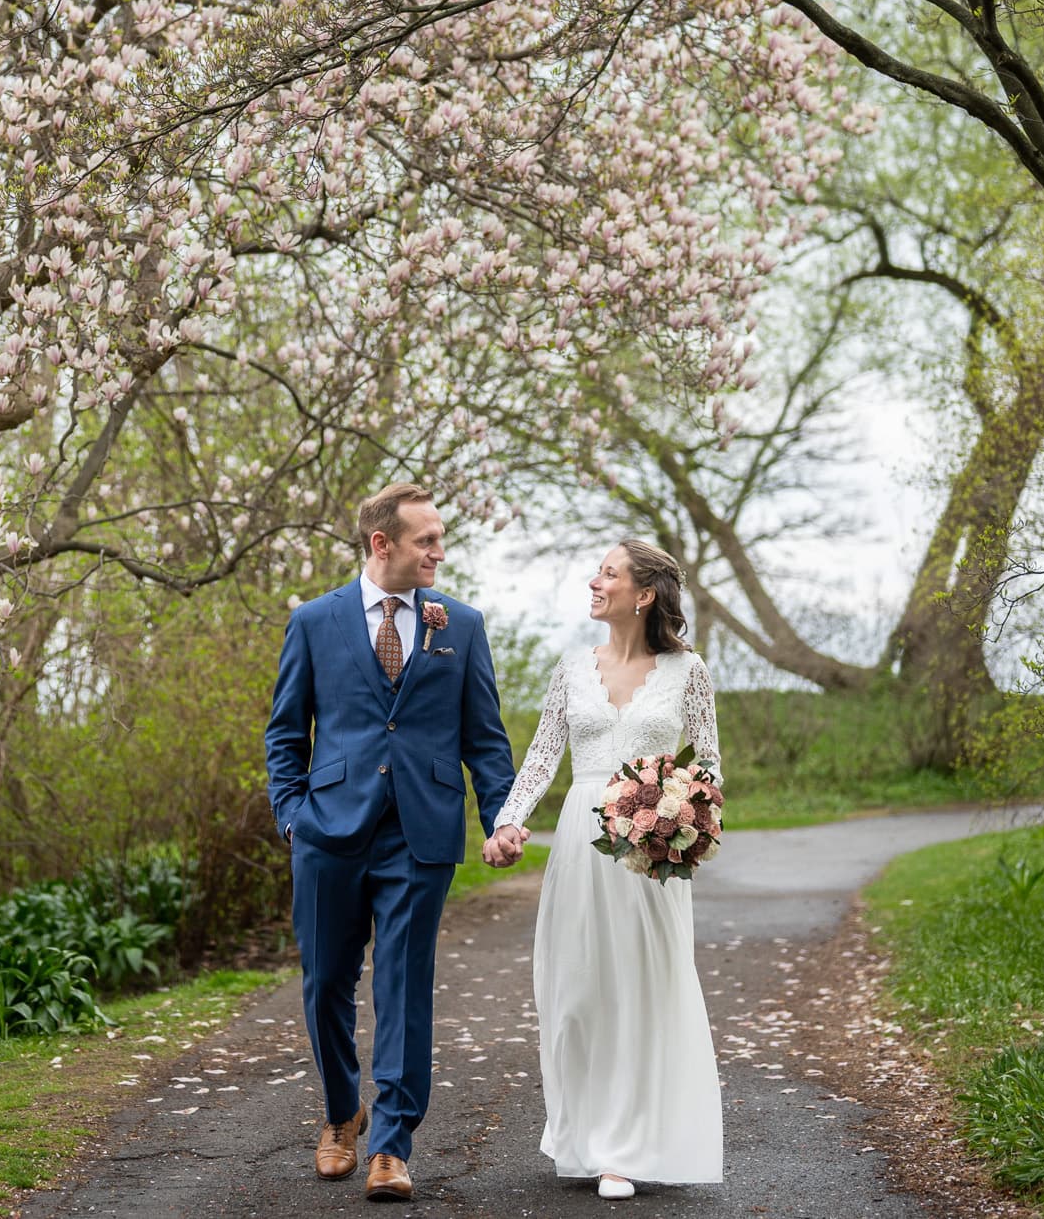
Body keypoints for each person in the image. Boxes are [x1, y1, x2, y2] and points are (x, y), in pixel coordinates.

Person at [264, 482, 525, 1203]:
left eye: (440, 538)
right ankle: (342, 1113)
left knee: (403, 985)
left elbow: (486, 740)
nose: (439, 551)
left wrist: (500, 816)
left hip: (422, 830)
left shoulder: (461, 625)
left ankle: (391, 1143)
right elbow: (285, 732)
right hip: (329, 830)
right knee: (324, 985)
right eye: (426, 540)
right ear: (383, 544)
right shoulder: (314, 621)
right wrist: (292, 815)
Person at [496, 538, 725, 1200]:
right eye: (597, 570)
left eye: (609, 573)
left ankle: (627, 1145)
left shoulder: (689, 671)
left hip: (652, 853)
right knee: (578, 989)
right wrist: (510, 819)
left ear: (643, 593)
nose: (594, 581)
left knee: (644, 986)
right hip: (580, 842)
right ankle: (583, 1132)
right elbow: (542, 756)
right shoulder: (572, 668)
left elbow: (708, 764)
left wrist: (687, 820)